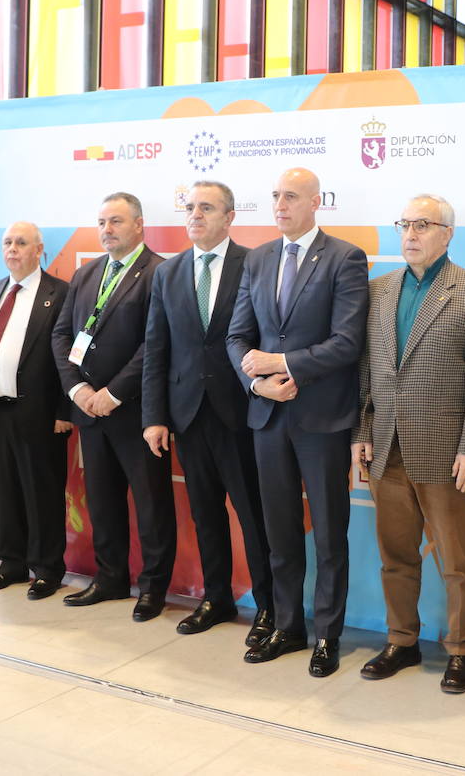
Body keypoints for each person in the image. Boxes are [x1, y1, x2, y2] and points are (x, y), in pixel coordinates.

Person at [351, 194, 465, 694]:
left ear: (447, 234)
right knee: (396, 554)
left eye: (423, 225)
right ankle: (401, 641)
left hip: (445, 448)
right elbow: (368, 373)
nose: (411, 234)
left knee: (457, 561)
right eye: (405, 225)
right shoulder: (379, 290)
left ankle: (462, 650)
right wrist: (362, 433)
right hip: (386, 446)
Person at [226, 167, 368, 677]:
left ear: (315, 202)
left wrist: (282, 365)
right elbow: (237, 337)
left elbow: (347, 342)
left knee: (329, 534)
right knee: (279, 530)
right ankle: (288, 626)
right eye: (274, 196)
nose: (279, 204)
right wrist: (255, 381)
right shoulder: (260, 258)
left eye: (290, 196)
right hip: (267, 415)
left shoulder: (344, 257)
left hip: (321, 419)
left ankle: (327, 635)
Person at [142, 181, 275, 646]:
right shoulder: (169, 272)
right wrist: (154, 416)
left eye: (206, 208)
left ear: (229, 216)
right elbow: (156, 347)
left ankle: (269, 607)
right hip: (187, 415)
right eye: (191, 207)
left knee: (253, 516)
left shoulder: (254, 264)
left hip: (241, 411)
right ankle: (217, 598)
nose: (195, 215)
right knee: (204, 515)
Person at [52, 192, 174, 621]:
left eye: (117, 221)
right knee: (101, 500)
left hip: (137, 411)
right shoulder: (86, 275)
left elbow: (155, 344)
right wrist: (78, 392)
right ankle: (110, 579)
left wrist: (113, 393)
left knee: (151, 503)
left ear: (139, 225)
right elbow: (62, 336)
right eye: (102, 221)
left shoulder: (160, 272)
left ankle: (153, 588)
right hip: (89, 410)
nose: (108, 229)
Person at [0, 221, 72, 600]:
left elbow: (67, 356)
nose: (12, 249)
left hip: (40, 411)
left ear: (39, 250)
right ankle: (11, 561)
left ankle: (47, 567)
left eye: (21, 243)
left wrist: (65, 408)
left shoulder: (59, 293)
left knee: (41, 490)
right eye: (7, 242)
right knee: (4, 488)